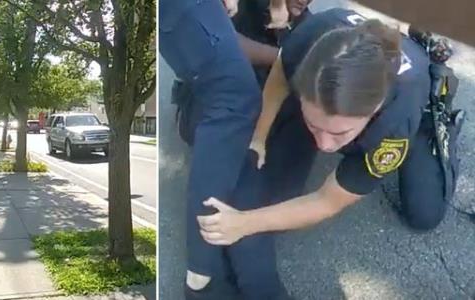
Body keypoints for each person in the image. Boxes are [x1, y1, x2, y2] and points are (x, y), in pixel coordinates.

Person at [197, 8, 464, 252]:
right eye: (315, 125)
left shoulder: (394, 124)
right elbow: (281, 75)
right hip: (361, 50)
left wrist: (242, 223)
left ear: (374, 111)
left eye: (340, 133)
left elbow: (327, 200)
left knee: (424, 214)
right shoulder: (311, 35)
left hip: (419, 99)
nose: (324, 145)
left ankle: (442, 120)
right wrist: (259, 137)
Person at [164, 1, 312, 299]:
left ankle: (223, 277)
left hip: (255, 115)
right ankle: (207, 279)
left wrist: (285, 32)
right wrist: (286, 55)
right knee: (242, 156)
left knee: (259, 187)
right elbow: (218, 46)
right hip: (211, 107)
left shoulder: (305, 19)